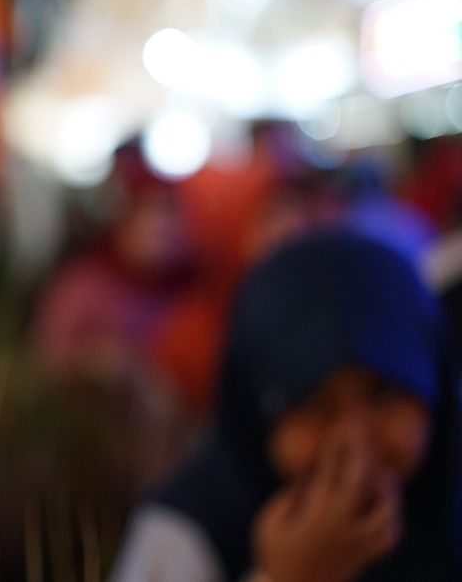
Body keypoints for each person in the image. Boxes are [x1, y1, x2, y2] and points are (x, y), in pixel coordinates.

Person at [109, 230, 462, 581]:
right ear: (254, 416)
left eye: (383, 395)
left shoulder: (448, 496)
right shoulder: (185, 533)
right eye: (313, 404)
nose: (356, 440)